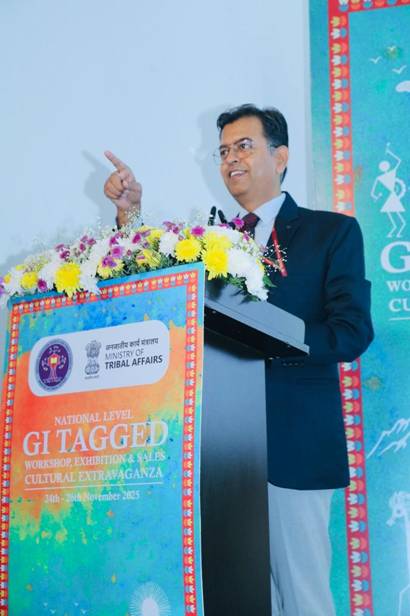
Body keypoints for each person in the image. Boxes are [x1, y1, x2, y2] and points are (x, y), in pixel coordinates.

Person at [103, 104, 374, 616]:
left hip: (295, 447)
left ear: (281, 156)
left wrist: (275, 336)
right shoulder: (208, 244)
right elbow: (158, 290)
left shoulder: (331, 233)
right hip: (221, 456)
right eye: (223, 150)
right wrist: (130, 217)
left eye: (244, 146)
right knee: (242, 599)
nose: (231, 159)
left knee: (304, 598)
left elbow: (351, 331)